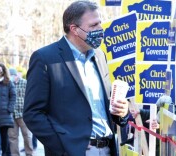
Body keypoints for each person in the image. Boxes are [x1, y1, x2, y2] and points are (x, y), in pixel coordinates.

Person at [23, 1, 129, 156]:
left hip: (108, 148)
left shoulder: (99, 55)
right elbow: (32, 113)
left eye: (100, 23)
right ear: (74, 29)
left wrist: (122, 112)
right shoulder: (46, 58)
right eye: (93, 25)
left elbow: (104, 107)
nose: (100, 29)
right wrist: (62, 149)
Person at [0, 63, 16, 156]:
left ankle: (5, 154)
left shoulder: (8, 82)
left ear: (3, 71)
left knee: (4, 137)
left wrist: (9, 109)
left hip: (5, 114)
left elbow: (13, 96)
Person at [8, 68, 33, 156]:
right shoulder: (8, 84)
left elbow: (30, 96)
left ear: (16, 75)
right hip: (12, 115)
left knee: (27, 136)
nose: (11, 77)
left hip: (23, 114)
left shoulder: (25, 83)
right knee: (12, 137)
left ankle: (29, 154)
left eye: (12, 75)